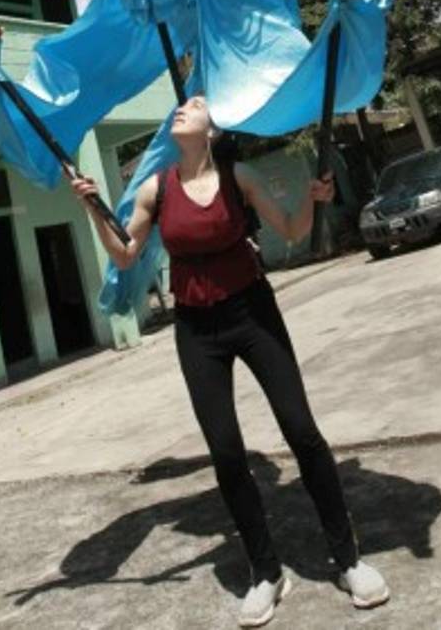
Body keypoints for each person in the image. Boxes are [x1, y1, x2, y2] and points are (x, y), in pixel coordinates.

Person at [72, 94, 389, 627]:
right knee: (225, 452)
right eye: (181, 103)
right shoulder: (156, 187)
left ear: (211, 130)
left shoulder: (236, 174)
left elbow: (290, 230)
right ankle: (266, 573)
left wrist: (315, 197)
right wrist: (92, 206)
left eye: (195, 104)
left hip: (252, 313)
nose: (183, 106)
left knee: (302, 432)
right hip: (196, 329)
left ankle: (348, 559)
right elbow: (126, 254)